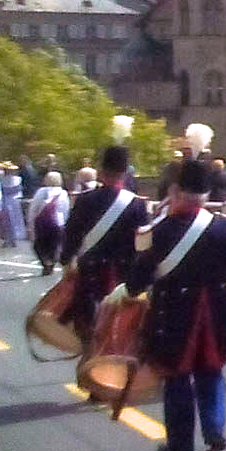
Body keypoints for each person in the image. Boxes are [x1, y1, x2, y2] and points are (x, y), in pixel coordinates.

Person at [123, 157, 226, 451]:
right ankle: (214, 430)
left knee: (177, 376)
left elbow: (137, 280)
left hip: (174, 311)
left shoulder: (159, 232)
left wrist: (134, 288)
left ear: (176, 191)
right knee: (211, 371)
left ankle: (180, 440)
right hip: (216, 311)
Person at [58, 146, 149, 348]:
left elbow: (71, 235)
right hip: (122, 276)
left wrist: (66, 261)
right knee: (118, 335)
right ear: (124, 173)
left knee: (88, 333)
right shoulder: (137, 205)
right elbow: (143, 246)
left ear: (101, 171)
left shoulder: (85, 200)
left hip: (90, 274)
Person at [27, 172, 69, 276]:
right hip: (58, 222)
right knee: (54, 244)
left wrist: (30, 223)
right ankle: (52, 262)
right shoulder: (63, 193)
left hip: (42, 222)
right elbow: (65, 209)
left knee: (39, 245)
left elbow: (33, 208)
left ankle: (46, 262)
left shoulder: (41, 191)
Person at [0, 162, 26, 248]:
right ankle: (9, 238)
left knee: (11, 220)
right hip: (11, 201)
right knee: (9, 220)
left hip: (9, 201)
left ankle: (12, 239)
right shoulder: (2, 179)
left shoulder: (16, 179)